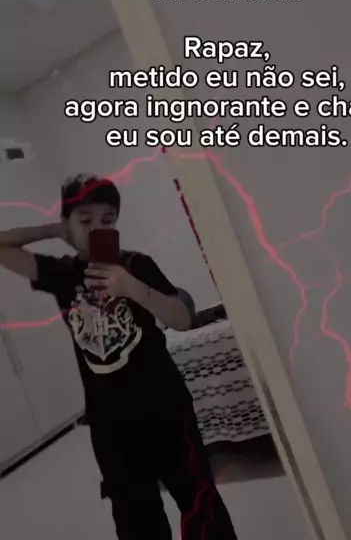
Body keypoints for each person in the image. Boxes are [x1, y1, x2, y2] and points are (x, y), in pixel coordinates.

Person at [0, 174, 237, 540]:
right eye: (85, 220)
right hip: (109, 423)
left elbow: (182, 319)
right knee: (134, 516)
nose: (97, 228)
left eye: (107, 220)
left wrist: (133, 288)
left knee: (199, 502)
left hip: (165, 409)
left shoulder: (137, 265)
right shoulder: (60, 273)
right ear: (68, 225)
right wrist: (51, 230)